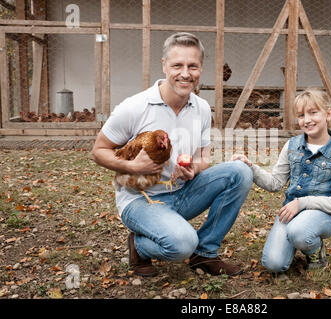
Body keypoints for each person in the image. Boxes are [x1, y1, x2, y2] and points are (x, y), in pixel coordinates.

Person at [92, 32, 253, 277]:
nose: (185, 73)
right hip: (139, 199)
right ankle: (140, 245)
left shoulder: (200, 108)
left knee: (240, 171)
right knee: (181, 245)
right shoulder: (135, 106)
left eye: (193, 66)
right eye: (177, 65)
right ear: (164, 65)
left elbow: (204, 157)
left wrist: (194, 169)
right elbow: (98, 151)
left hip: (181, 192)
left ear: (200, 69)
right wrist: (135, 167)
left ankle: (205, 253)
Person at [233, 89, 331, 272]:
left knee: (299, 232)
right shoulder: (292, 146)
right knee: (273, 264)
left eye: (313, 112)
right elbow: (275, 182)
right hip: (290, 213)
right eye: (301, 115)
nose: (307, 120)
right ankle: (296, 239)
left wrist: (303, 203)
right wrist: (251, 167)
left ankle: (315, 250)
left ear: (328, 114)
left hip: (322, 215)